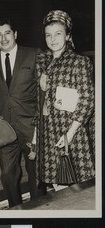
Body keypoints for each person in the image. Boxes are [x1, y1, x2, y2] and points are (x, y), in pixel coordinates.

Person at [0, 19, 43, 208]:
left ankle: (38, 208)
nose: (3, 38)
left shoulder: (33, 54)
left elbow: (43, 92)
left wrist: (40, 122)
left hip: (30, 126)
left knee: (36, 172)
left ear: (15, 34)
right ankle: (17, 208)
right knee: (7, 174)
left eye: (7, 33)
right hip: (4, 128)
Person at [35, 10, 95, 186]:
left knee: (77, 188)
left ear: (68, 36)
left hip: (72, 131)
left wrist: (70, 133)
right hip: (48, 131)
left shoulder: (79, 62)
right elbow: (39, 104)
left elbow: (87, 99)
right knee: (57, 185)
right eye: (48, 35)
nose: (53, 39)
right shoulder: (42, 63)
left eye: (58, 34)